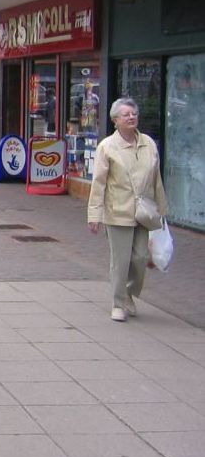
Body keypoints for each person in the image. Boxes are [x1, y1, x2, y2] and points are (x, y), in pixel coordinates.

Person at [87, 97, 168, 322]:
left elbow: (156, 179)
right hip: (118, 211)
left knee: (141, 257)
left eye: (134, 113)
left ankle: (130, 293)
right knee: (121, 260)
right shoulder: (107, 147)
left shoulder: (148, 144)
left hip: (144, 210)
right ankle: (118, 303)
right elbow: (99, 183)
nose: (131, 117)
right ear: (115, 120)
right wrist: (95, 214)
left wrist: (162, 208)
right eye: (126, 114)